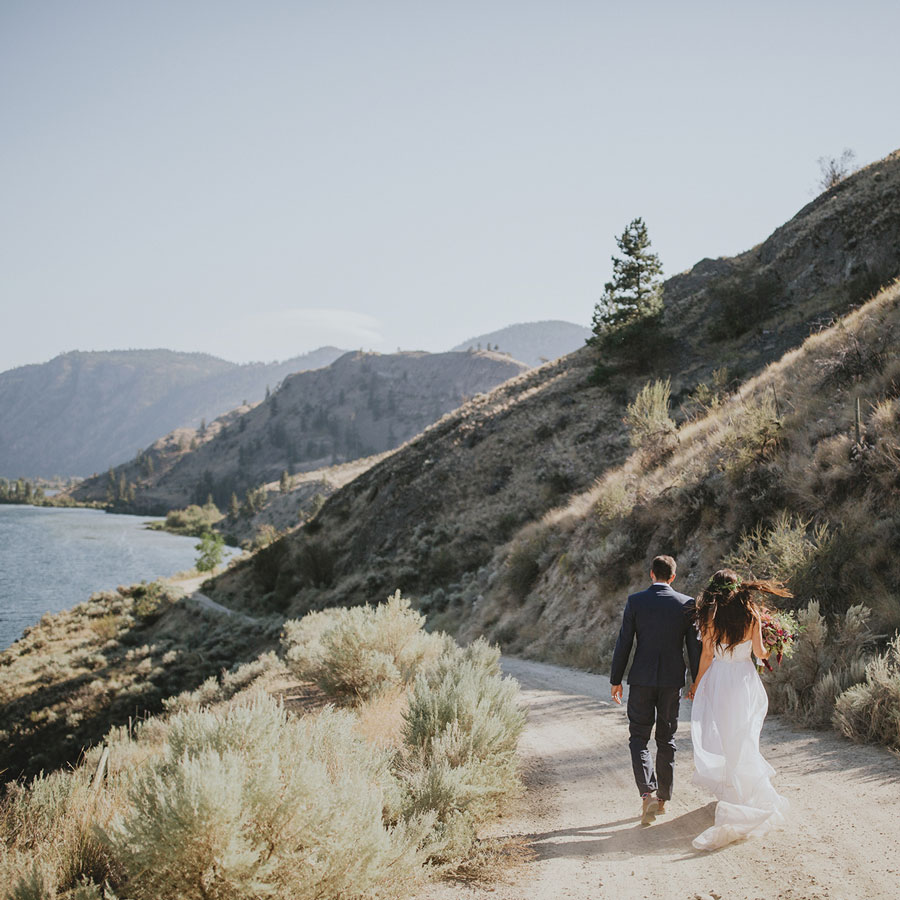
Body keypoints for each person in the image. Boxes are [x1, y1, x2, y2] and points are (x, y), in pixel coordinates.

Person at [687, 569, 791, 850]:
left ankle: (733, 789)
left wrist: (697, 684)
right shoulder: (751, 616)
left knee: (723, 734)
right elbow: (761, 654)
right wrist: (772, 641)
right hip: (744, 681)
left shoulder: (710, 618)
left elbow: (707, 655)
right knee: (743, 735)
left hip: (720, 678)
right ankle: (746, 788)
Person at [610, 554, 702, 825]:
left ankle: (647, 793)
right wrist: (696, 680)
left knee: (638, 737)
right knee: (667, 738)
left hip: (641, 679)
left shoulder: (635, 601)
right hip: (672, 681)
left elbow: (624, 642)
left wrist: (616, 678)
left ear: (651, 574)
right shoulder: (687, 604)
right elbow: (693, 647)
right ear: (672, 577)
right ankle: (662, 800)